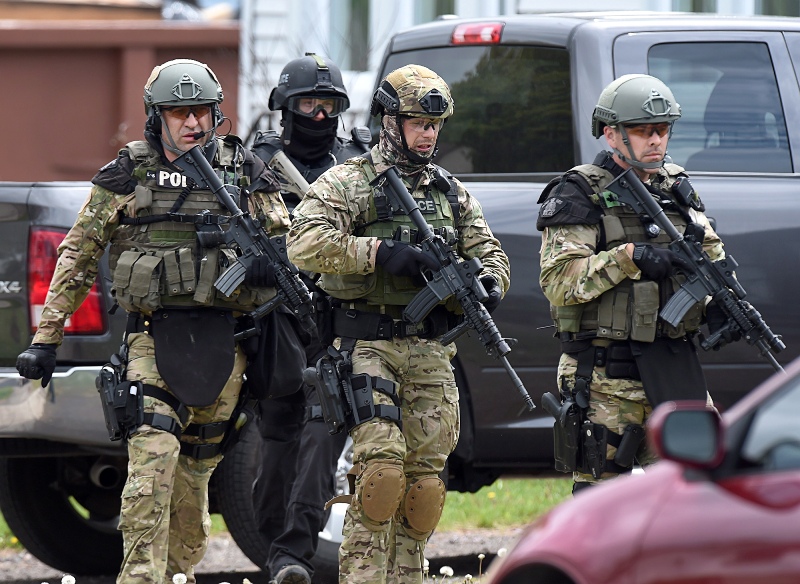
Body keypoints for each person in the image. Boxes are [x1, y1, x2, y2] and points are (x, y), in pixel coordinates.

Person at [15, 58, 289, 583]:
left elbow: (292, 243)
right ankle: (140, 576)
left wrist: (266, 262)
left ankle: (178, 573)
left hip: (224, 348)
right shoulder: (129, 173)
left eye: (202, 113)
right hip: (152, 342)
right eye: (179, 113)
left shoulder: (246, 171)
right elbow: (77, 254)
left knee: (192, 483)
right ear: (155, 117)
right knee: (152, 459)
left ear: (216, 115)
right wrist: (46, 338)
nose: (192, 124)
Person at [287, 64, 510, 584]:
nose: (428, 134)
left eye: (434, 126)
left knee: (425, 485)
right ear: (390, 122)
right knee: (381, 473)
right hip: (366, 345)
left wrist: (487, 283)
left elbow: (489, 251)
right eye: (417, 123)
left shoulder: (451, 193)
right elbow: (303, 243)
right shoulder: (350, 181)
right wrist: (380, 253)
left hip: (430, 352)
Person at [537, 74, 729, 494]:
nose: (656, 141)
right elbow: (559, 281)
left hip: (673, 364)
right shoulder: (579, 192)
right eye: (643, 131)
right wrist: (630, 257)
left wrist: (719, 301)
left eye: (662, 131)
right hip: (606, 372)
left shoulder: (675, 188)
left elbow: (713, 257)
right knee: (599, 503)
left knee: (706, 491)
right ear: (611, 134)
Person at [249, 53, 368, 584]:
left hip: (338, 316)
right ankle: (275, 546)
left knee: (323, 425)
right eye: (307, 104)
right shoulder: (257, 165)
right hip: (276, 320)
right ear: (285, 107)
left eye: (329, 105)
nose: (319, 116)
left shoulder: (357, 166)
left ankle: (294, 551)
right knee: (278, 436)